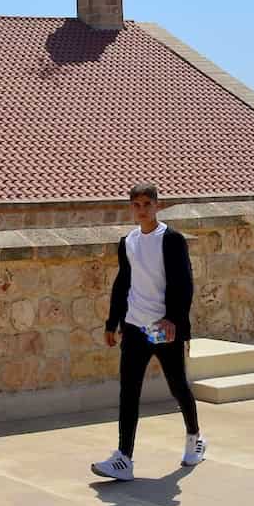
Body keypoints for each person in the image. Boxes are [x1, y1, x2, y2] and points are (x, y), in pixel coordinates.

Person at [92, 183, 204, 481]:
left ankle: (195, 437)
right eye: (136, 205)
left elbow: (184, 283)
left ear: (157, 205)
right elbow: (123, 284)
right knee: (129, 391)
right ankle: (123, 458)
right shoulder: (127, 242)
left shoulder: (171, 239)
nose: (141, 210)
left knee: (177, 384)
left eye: (146, 204)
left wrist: (173, 319)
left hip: (163, 328)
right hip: (135, 328)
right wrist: (111, 323)